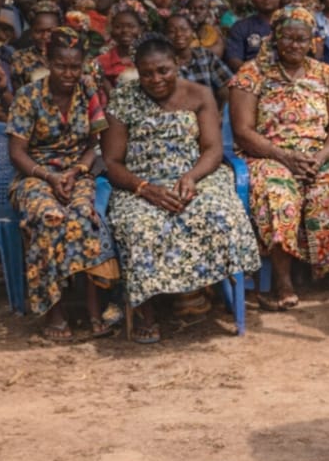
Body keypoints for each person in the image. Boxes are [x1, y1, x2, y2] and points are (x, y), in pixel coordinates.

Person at [100, 35, 260, 343]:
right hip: (141, 181)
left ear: (177, 64)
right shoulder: (123, 99)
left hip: (196, 175)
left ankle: (200, 291)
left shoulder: (199, 94)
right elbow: (113, 161)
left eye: (163, 70)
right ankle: (148, 310)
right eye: (146, 73)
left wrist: (190, 178)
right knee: (139, 225)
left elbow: (213, 149)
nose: (155, 79)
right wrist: (145, 188)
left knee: (220, 214)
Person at [229, 5, 329, 308]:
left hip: (318, 153)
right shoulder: (252, 74)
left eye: (302, 39)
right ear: (275, 37)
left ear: (312, 40)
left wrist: (320, 157)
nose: (295, 45)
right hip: (267, 154)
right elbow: (243, 131)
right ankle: (282, 282)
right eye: (288, 38)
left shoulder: (326, 74)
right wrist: (284, 157)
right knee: (277, 191)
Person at [6, 28, 120, 341]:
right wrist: (49, 177)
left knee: (85, 216)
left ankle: (92, 309)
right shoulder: (28, 96)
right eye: (60, 65)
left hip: (77, 173)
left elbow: (93, 144)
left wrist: (77, 171)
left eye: (74, 66)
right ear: (47, 61)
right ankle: (53, 312)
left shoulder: (88, 92)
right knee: (49, 217)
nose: (68, 73)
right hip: (35, 175)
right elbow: (16, 152)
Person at [165, 12, 232, 110]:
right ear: (165, 35)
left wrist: (221, 113)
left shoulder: (205, 55)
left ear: (192, 32)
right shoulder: (163, 63)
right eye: (172, 31)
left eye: (184, 29)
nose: (179, 34)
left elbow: (226, 86)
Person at [224, 0, 279, 71]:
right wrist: (257, 74)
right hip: (253, 78)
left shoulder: (291, 25)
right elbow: (234, 60)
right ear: (253, 0)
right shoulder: (240, 27)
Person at [95, 0, 147, 90]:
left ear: (140, 29)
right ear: (111, 29)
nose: (125, 31)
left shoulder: (150, 57)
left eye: (131, 26)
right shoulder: (101, 61)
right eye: (118, 27)